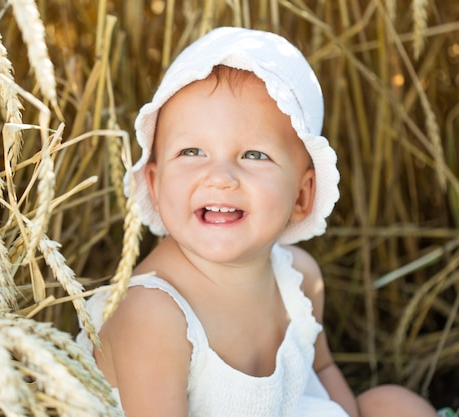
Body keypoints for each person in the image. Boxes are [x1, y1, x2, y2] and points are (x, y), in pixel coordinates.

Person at [77, 27, 440, 417]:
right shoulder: (151, 315)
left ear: (302, 196)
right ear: (154, 180)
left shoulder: (299, 279)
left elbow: (321, 369)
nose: (220, 176)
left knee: (399, 406)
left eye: (253, 155)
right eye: (192, 151)